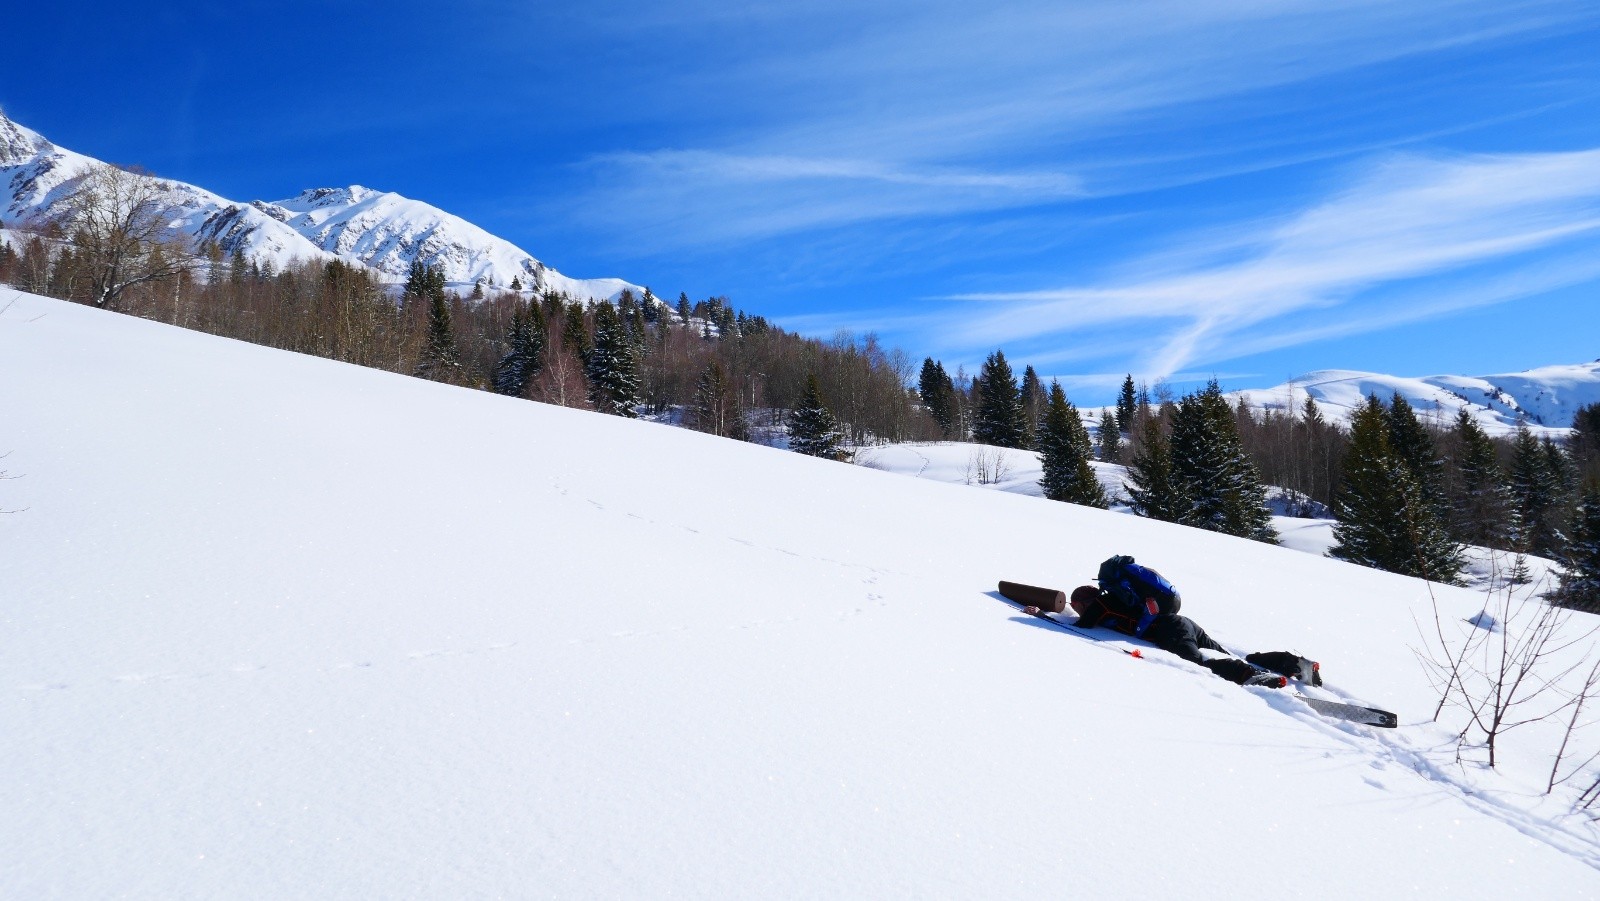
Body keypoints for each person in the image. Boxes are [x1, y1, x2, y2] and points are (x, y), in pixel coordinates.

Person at [1025, 555, 1320, 689]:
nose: (1076, 610)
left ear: (1083, 602)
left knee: (1203, 664)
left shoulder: (1100, 605)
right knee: (1228, 653)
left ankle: (1254, 677)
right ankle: (1292, 663)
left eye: (1076, 606)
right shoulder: (1117, 599)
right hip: (1182, 621)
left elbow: (1077, 629)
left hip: (1169, 630)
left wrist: (1040, 615)